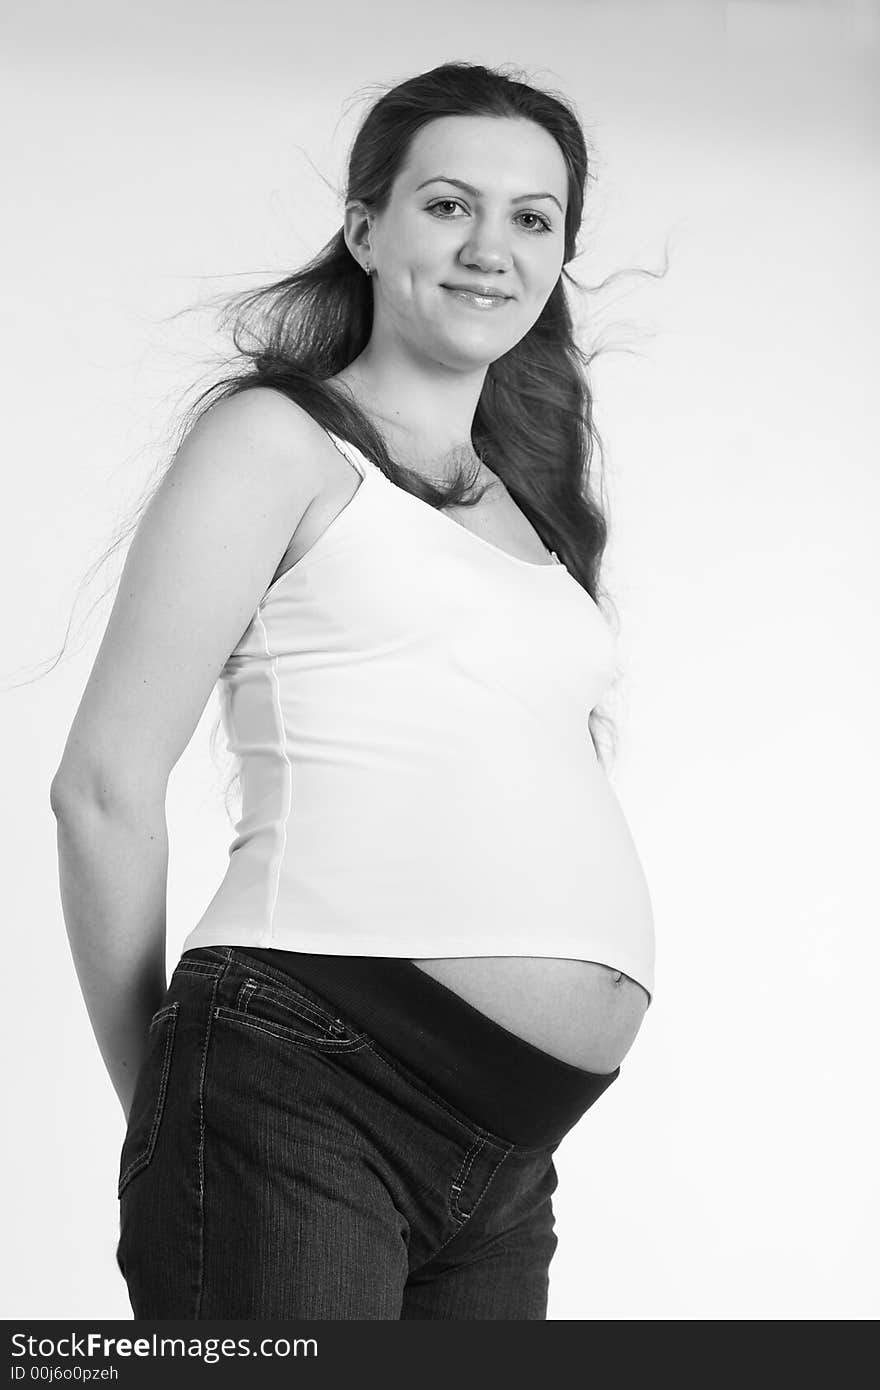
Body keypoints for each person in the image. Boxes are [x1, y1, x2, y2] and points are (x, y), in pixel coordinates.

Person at [50, 61, 656, 1320]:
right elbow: (103, 788)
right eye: (448, 205)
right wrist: (170, 1111)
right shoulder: (278, 443)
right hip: (298, 1091)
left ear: (558, 255)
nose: (491, 246)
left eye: (531, 218)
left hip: (504, 1158)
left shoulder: (534, 509)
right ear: (366, 227)